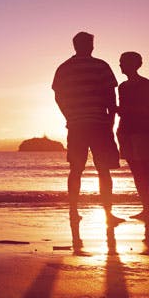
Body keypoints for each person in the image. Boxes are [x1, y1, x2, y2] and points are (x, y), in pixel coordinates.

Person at [52, 32, 124, 235]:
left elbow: (58, 97)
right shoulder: (101, 66)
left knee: (76, 169)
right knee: (103, 169)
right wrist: (110, 121)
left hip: (77, 126)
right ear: (90, 45)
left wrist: (69, 115)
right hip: (99, 124)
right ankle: (107, 213)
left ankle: (73, 211)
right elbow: (111, 96)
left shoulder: (64, 68)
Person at [117, 51, 149, 225]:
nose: (120, 65)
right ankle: (146, 210)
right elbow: (123, 110)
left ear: (134, 64)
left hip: (141, 131)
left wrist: (128, 110)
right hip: (125, 131)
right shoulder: (122, 87)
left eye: (123, 62)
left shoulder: (146, 84)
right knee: (136, 173)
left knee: (147, 171)